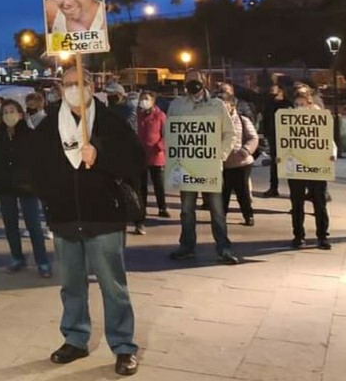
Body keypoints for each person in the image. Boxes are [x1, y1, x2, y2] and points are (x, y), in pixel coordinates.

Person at [28, 66, 142, 376]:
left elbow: (135, 161)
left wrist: (100, 156)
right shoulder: (50, 125)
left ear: (91, 86)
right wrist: (50, 199)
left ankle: (123, 345)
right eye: (67, 84)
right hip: (65, 218)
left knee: (113, 286)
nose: (73, 88)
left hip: (104, 217)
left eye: (79, 82)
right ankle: (75, 338)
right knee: (71, 285)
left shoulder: (110, 121)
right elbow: (35, 168)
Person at [167, 70, 239, 265]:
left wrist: (220, 156)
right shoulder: (177, 105)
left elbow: (229, 134)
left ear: (204, 82)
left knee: (217, 210)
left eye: (196, 81)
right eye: (189, 81)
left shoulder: (217, 105)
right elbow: (170, 132)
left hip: (211, 167)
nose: (192, 84)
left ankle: (224, 248)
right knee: (186, 210)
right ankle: (186, 246)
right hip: (187, 166)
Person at [0, 99, 51, 277]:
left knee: (33, 225)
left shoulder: (30, 135)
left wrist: (37, 181)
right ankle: (17, 258)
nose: (9, 115)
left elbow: (40, 160)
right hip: (5, 187)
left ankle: (42, 262)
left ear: (21, 114)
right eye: (5, 112)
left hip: (27, 186)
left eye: (12, 111)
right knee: (10, 225)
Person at [286, 92, 334, 250]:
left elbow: (328, 140)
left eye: (302, 104)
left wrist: (331, 155)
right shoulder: (287, 121)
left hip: (317, 165)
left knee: (319, 202)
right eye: (296, 104)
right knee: (297, 203)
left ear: (310, 104)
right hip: (296, 166)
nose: (299, 107)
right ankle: (298, 236)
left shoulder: (320, 119)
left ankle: (322, 236)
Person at [219, 92, 259, 227]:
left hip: (241, 163)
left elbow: (253, 138)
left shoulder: (242, 120)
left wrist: (245, 151)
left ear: (232, 106)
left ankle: (248, 215)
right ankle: (220, 216)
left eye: (224, 106)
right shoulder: (214, 121)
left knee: (242, 192)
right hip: (221, 163)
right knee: (223, 193)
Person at [136, 91, 169, 231]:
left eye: (147, 99)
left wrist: (160, 146)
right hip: (141, 155)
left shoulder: (160, 115)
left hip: (156, 154)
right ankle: (142, 208)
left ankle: (162, 207)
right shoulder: (138, 115)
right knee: (142, 185)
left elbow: (167, 134)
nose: (144, 101)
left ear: (153, 101)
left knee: (158, 183)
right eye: (142, 98)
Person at [262, 84, 292, 197]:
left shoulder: (288, 103)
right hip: (273, 135)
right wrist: (266, 133)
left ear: (281, 90)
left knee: (290, 161)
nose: (271, 91)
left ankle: (294, 189)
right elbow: (266, 118)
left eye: (273, 89)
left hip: (286, 136)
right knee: (274, 162)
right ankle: (273, 187)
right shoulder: (270, 102)